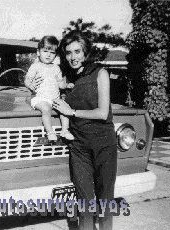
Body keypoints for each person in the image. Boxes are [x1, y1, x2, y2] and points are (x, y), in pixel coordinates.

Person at [53, 31, 117, 230]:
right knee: (84, 202)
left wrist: (70, 112)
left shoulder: (100, 73)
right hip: (79, 146)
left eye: (77, 51)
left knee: (105, 199)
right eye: (69, 53)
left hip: (103, 144)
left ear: (85, 51)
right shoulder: (66, 79)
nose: (73, 57)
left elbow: (102, 112)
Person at [24, 35, 74, 144]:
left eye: (52, 53)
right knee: (46, 108)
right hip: (40, 98)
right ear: (38, 52)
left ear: (55, 55)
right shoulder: (35, 66)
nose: (48, 55)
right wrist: (30, 85)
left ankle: (65, 130)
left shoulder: (56, 68)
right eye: (45, 51)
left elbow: (60, 84)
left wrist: (66, 85)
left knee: (65, 107)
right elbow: (27, 79)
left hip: (55, 99)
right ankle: (50, 132)